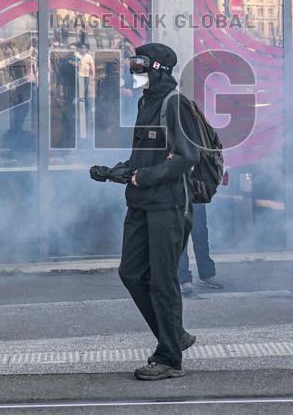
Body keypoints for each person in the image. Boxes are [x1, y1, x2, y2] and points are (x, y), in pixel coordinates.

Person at [90, 42, 199, 380]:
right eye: (132, 61)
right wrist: (115, 171)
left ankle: (169, 358)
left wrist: (143, 177)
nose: (132, 68)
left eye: (139, 62)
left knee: (163, 281)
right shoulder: (145, 103)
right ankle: (175, 334)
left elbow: (186, 157)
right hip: (140, 203)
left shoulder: (175, 104)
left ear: (158, 69)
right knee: (132, 273)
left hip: (168, 206)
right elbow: (142, 158)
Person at [178, 203, 223, 297]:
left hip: (196, 195)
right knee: (181, 236)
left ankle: (206, 274)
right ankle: (184, 279)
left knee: (200, 234)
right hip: (179, 196)